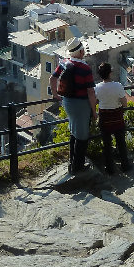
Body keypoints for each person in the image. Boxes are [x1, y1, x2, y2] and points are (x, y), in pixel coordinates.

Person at [49, 37, 97, 174]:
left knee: (74, 133)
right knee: (82, 136)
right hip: (81, 104)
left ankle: (72, 162)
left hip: (68, 102)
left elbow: (52, 78)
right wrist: (94, 111)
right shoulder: (85, 68)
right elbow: (91, 92)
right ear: (81, 51)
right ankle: (77, 167)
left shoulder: (64, 63)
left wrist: (55, 94)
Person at [94, 62, 131, 174]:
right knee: (121, 143)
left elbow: (95, 102)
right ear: (110, 73)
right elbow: (125, 104)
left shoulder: (97, 88)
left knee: (107, 145)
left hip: (104, 118)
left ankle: (109, 168)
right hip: (117, 118)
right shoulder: (118, 86)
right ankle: (125, 166)